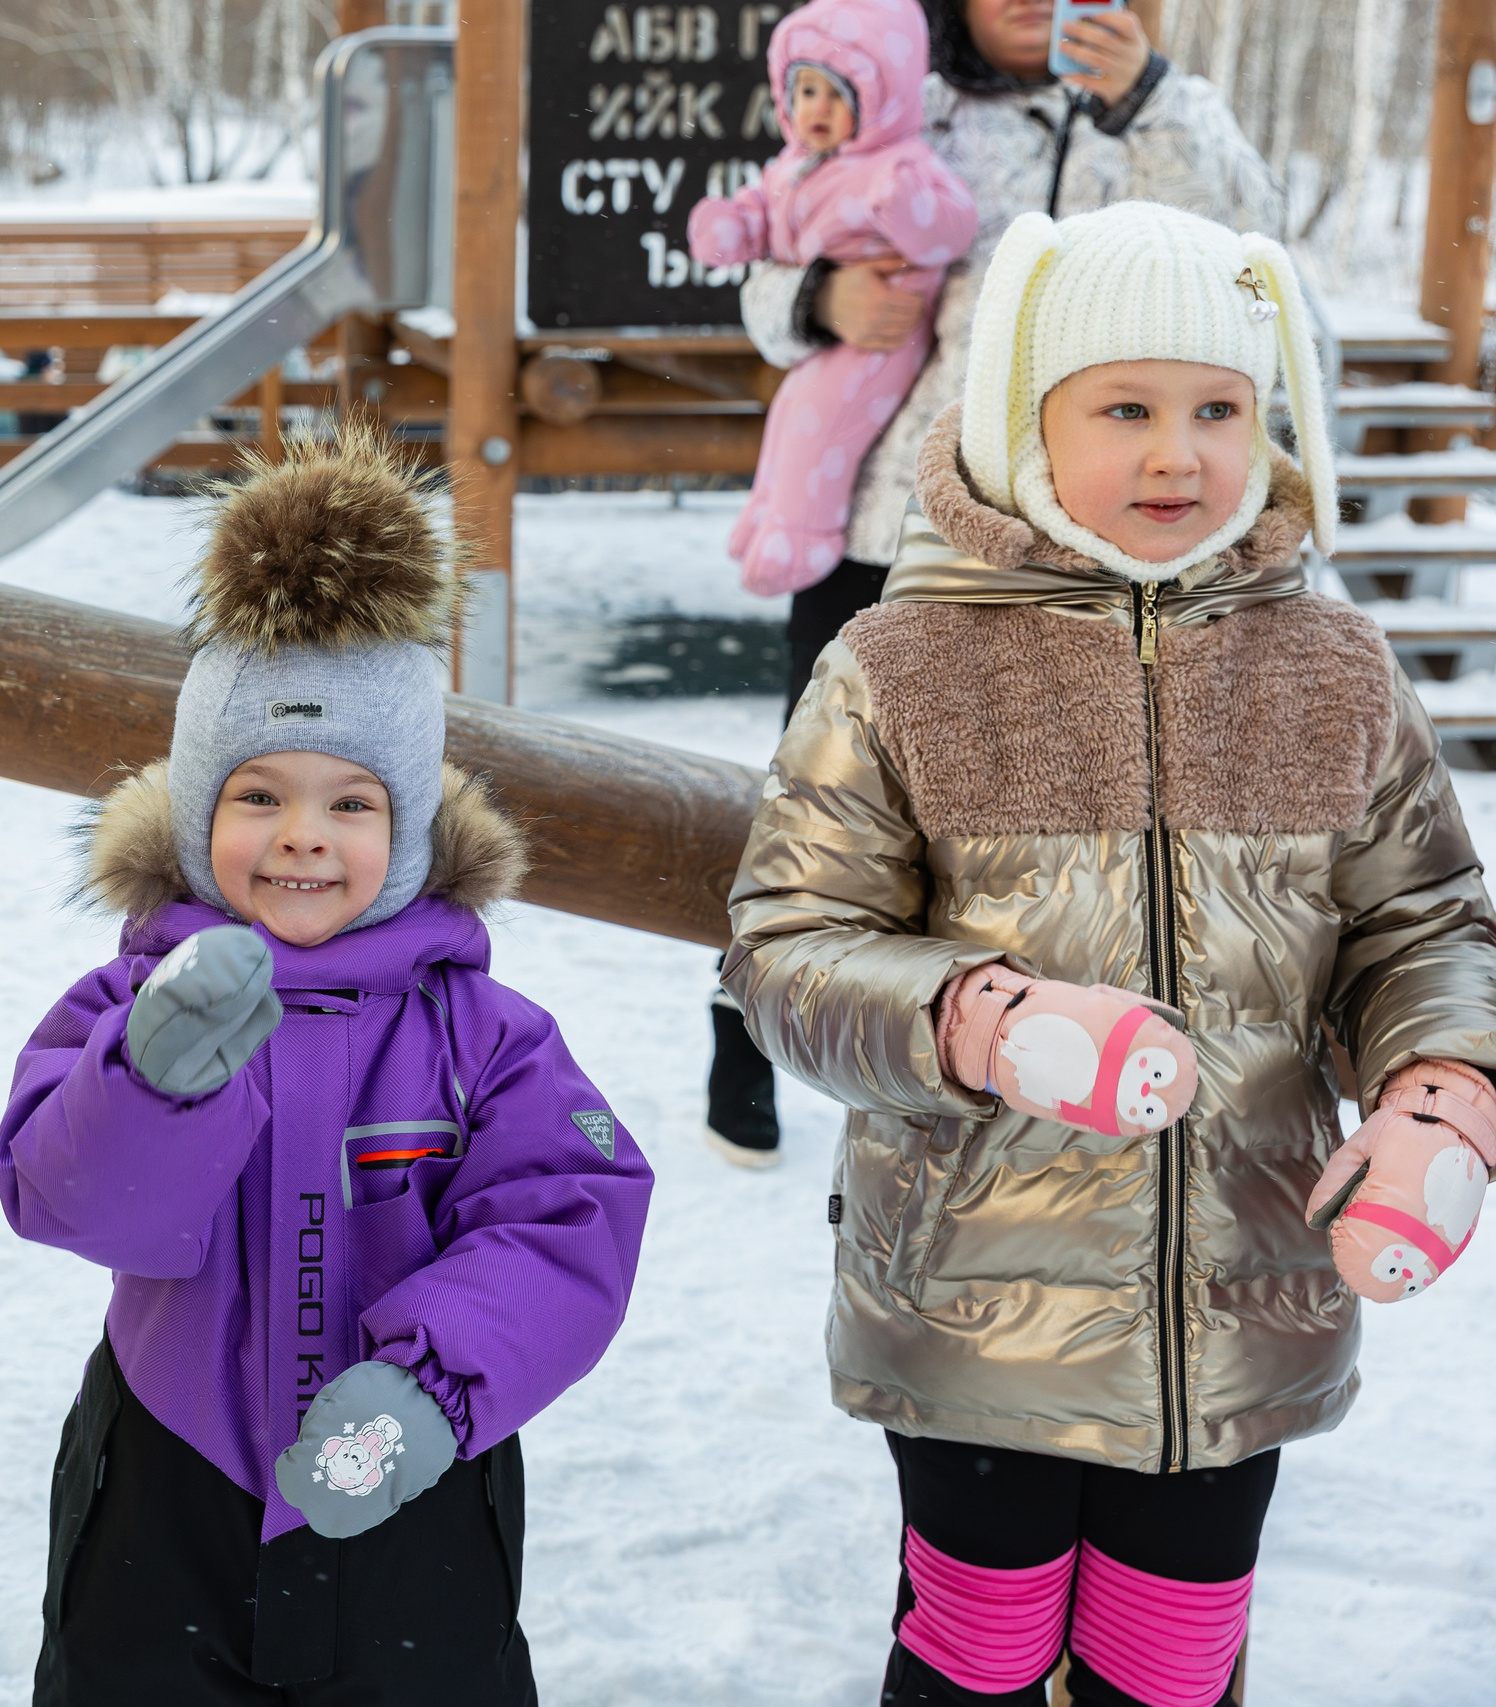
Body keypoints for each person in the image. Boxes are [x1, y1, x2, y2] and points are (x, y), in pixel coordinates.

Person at [724, 199, 1496, 1706]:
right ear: (1026, 418)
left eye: (1219, 408)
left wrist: (1438, 1081)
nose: (1176, 452)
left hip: (1245, 1292)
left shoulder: (1328, 661)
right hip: (974, 1297)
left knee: (1173, 1658)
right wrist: (970, 1019)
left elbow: (1423, 918)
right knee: (980, 1654)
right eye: (1126, 407)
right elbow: (789, 947)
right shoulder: (904, 662)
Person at [0, 432, 654, 1705]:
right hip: (163, 1490)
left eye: (350, 804)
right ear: (196, 815)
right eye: (257, 797)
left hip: (418, 1480)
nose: (302, 836)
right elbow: (68, 1199)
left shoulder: (483, 1034)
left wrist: (434, 1387)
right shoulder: (126, 1005)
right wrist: (155, 1080)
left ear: (406, 829)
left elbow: (568, 1220)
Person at [702, 0, 1287, 1167]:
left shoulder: (1168, 106)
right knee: (815, 787)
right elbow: (767, 271)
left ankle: (1046, 1041)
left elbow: (1255, 260)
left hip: (1091, 536)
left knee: (1036, 800)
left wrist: (1143, 101)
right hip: (897, 507)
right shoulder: (900, 99)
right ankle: (744, 1020)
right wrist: (818, 297)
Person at [687, 0, 977, 591]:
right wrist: (731, 229)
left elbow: (953, 226)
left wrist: (903, 210)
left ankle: (801, 536)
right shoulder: (795, 166)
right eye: (806, 91)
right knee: (793, 410)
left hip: (890, 327)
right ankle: (766, 515)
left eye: (836, 94)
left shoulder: (896, 163)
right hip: (839, 325)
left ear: (878, 100)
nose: (817, 109)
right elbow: (761, 215)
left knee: (822, 425)